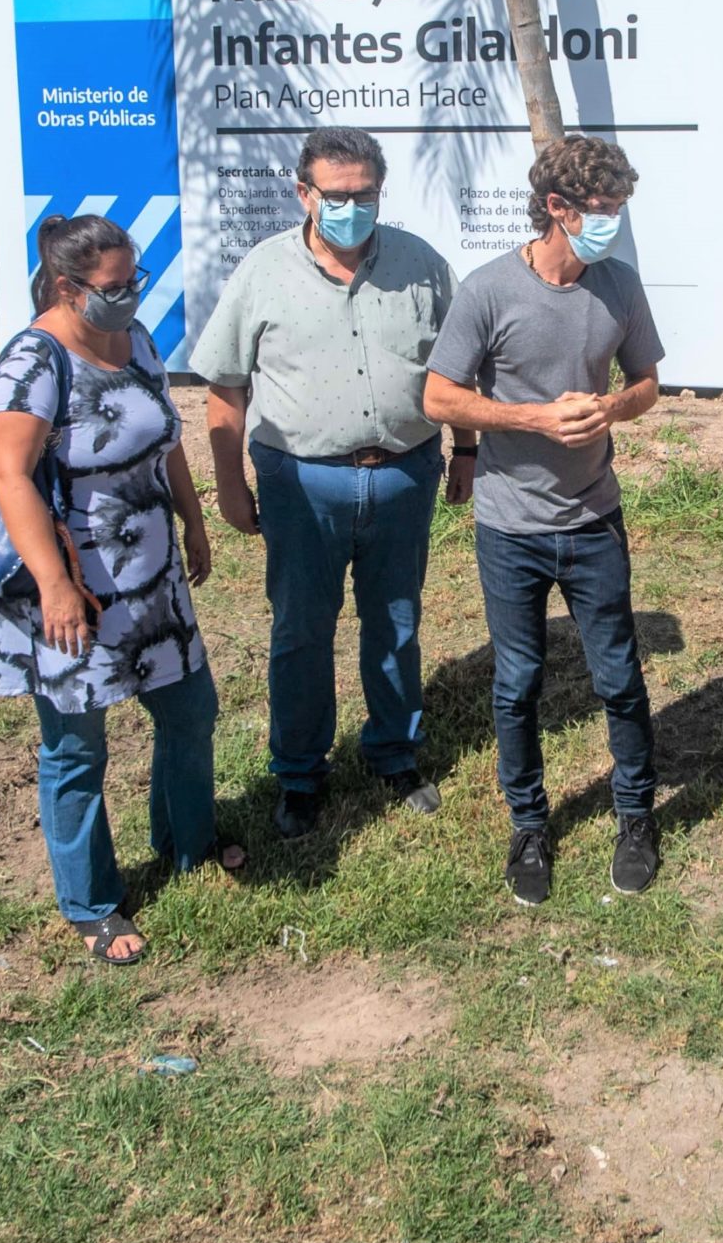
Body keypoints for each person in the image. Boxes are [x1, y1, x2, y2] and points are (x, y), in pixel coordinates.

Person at [192, 127, 467, 839]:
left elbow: (457, 369)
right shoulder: (262, 271)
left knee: (397, 622)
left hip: (404, 475)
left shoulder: (422, 265)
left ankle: (394, 753)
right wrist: (228, 485)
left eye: (364, 195)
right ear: (303, 193)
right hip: (300, 482)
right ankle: (300, 773)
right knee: (301, 631)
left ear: (380, 192)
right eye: (336, 195)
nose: (351, 207)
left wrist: (465, 451)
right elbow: (225, 387)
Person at [0, 213, 239, 966]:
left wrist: (192, 521)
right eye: (115, 286)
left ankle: (187, 842)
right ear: (68, 288)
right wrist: (56, 586)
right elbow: (7, 475)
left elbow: (166, 439)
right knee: (76, 748)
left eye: (136, 280)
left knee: (191, 710)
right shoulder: (33, 363)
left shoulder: (139, 342)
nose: (130, 295)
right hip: (72, 591)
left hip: (151, 577)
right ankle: (92, 904)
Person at [424, 135, 666, 907]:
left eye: (620, 210)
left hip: (595, 518)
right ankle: (529, 824)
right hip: (510, 525)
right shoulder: (489, 290)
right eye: (601, 211)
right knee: (518, 682)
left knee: (619, 677)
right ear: (556, 209)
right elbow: (438, 398)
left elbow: (650, 383)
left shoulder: (619, 286)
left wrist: (611, 407)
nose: (612, 226)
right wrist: (531, 418)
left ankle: (636, 815)